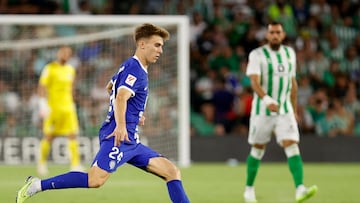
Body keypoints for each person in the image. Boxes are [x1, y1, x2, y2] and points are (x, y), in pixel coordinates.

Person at [16, 23, 190, 203]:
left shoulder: (129, 66)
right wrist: (122, 124)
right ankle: (37, 185)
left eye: (161, 46)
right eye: (157, 45)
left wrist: (134, 114)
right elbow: (121, 97)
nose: (160, 50)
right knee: (94, 180)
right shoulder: (135, 69)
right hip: (119, 136)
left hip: (132, 141)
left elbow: (110, 87)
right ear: (142, 44)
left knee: (171, 171)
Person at [243, 22, 317, 203]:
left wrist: (294, 108)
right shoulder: (257, 55)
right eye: (271, 32)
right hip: (262, 111)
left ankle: (300, 188)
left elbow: (292, 83)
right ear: (267, 35)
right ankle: (249, 189)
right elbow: (254, 82)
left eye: (278, 32)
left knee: (292, 145)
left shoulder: (289, 53)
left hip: (285, 111)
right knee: (258, 149)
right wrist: (267, 100)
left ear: (283, 35)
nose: (275, 35)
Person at [37, 46, 83, 176]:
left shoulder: (70, 70)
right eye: (64, 52)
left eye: (68, 53)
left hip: (68, 109)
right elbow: (41, 87)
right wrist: (42, 104)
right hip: (53, 109)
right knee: (49, 136)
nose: (66, 55)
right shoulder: (49, 68)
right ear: (58, 53)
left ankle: (75, 164)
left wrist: (73, 103)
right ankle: (41, 163)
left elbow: (71, 88)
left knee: (72, 135)